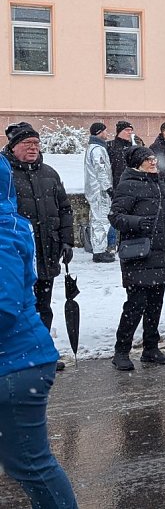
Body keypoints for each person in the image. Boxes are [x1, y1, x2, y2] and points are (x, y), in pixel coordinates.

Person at [0, 154, 78, 509]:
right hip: (19, 361)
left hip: (17, 364)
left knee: (30, 464)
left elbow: (5, 307)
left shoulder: (2, 230)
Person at [109, 146, 165, 371]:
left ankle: (150, 348)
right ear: (137, 163)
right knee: (135, 305)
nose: (153, 162)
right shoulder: (127, 185)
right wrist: (136, 223)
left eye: (153, 158)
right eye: (147, 159)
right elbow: (115, 217)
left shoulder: (160, 184)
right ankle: (121, 351)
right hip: (138, 253)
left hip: (160, 253)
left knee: (155, 304)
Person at [2, 122, 73, 372]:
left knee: (43, 306)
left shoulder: (49, 173)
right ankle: (16, 357)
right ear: (13, 147)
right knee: (16, 307)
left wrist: (66, 240)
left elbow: (64, 208)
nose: (33, 148)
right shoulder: (5, 175)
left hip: (47, 251)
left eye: (36, 143)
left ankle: (42, 354)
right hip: (15, 256)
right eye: (26, 144)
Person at [84, 122, 115, 263]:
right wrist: (108, 188)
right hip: (99, 191)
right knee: (101, 221)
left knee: (97, 220)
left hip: (95, 189)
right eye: (104, 131)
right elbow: (101, 170)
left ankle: (99, 249)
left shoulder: (94, 148)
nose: (106, 134)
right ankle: (99, 251)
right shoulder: (97, 150)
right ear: (99, 132)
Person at [107, 121, 137, 189]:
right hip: (116, 183)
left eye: (131, 130)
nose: (130, 132)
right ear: (119, 131)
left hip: (131, 183)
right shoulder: (110, 146)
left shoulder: (132, 147)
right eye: (127, 130)